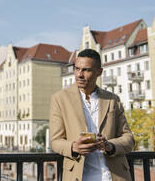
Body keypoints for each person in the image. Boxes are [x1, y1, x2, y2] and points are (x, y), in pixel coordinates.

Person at [49, 49, 134, 181]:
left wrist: (110, 146)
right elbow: (55, 141)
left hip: (115, 176)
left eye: (86, 70)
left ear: (99, 72)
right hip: (79, 176)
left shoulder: (112, 99)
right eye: (77, 69)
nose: (79, 75)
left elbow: (128, 138)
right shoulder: (60, 99)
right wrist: (73, 147)